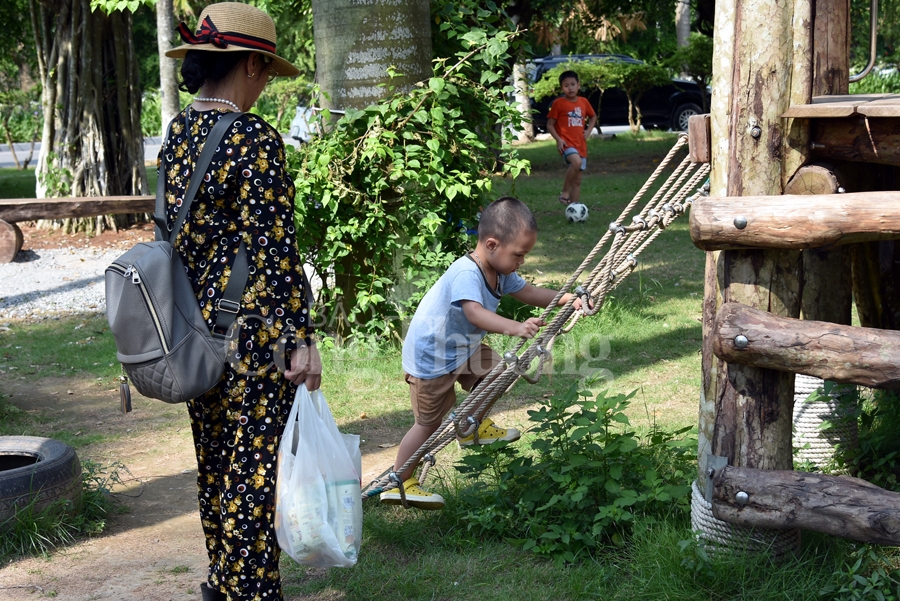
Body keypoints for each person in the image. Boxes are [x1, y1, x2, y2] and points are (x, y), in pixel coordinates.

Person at [162, 4, 321, 600]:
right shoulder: (254, 139)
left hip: (194, 328)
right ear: (252, 65)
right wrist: (301, 343)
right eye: (266, 74)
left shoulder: (179, 132)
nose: (265, 86)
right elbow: (274, 253)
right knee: (253, 473)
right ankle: (252, 594)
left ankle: (223, 586)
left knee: (218, 466)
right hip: (254, 335)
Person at [380, 197, 583, 510]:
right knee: (428, 423)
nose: (522, 261)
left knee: (499, 373)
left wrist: (566, 298)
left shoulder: (501, 271)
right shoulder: (467, 273)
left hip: (462, 346)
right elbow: (474, 313)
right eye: (519, 254)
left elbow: (529, 293)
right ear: (492, 244)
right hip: (433, 358)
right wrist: (515, 328)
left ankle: (473, 428)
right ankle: (401, 480)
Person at [546, 70, 597, 206]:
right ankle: (564, 192)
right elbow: (550, 125)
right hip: (566, 144)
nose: (570, 88)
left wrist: (588, 130)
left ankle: (573, 208)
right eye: (566, 85)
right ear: (562, 88)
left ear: (578, 85)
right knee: (576, 162)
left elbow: (593, 117)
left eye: (573, 84)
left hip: (581, 144)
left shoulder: (584, 102)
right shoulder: (558, 103)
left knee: (577, 180)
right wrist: (558, 139)